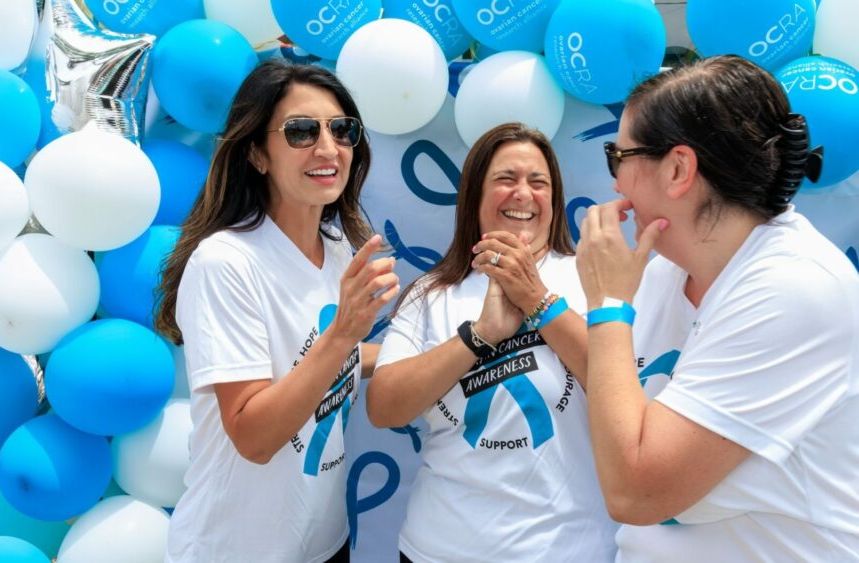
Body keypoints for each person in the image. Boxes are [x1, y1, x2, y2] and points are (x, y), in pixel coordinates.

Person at [575, 54, 859, 561]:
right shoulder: (664, 270)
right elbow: (613, 390)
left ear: (679, 168)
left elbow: (634, 490)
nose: (615, 183)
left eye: (619, 158)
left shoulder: (795, 287)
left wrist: (608, 305)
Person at [154, 59, 399, 563]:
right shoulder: (227, 262)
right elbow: (253, 436)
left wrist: (448, 344)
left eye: (342, 130)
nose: (328, 148)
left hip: (324, 540)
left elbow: (335, 365)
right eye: (301, 131)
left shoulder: (337, 249)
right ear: (257, 155)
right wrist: (343, 334)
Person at [367, 122, 618, 562]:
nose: (523, 194)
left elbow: (620, 390)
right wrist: (479, 336)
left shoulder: (591, 279)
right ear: (474, 197)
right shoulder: (431, 292)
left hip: (568, 550)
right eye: (506, 179)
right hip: (439, 549)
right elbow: (385, 407)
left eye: (538, 183)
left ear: (554, 201)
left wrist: (536, 300)